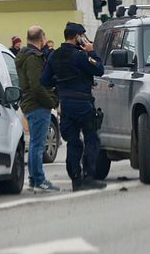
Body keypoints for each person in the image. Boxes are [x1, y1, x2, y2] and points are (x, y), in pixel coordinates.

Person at [40, 22, 106, 191]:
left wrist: (61, 83)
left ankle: (75, 178)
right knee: (92, 139)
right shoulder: (80, 55)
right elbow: (99, 69)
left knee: (73, 142)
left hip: (66, 104)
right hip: (83, 103)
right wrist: (91, 51)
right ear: (77, 37)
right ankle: (89, 176)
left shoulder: (54, 55)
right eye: (82, 36)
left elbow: (45, 80)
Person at [16, 26, 60, 191]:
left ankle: (34, 179)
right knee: (37, 144)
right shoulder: (33, 57)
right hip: (37, 104)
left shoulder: (22, 55)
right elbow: (37, 84)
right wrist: (51, 102)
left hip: (29, 102)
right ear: (42, 37)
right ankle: (39, 180)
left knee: (35, 143)